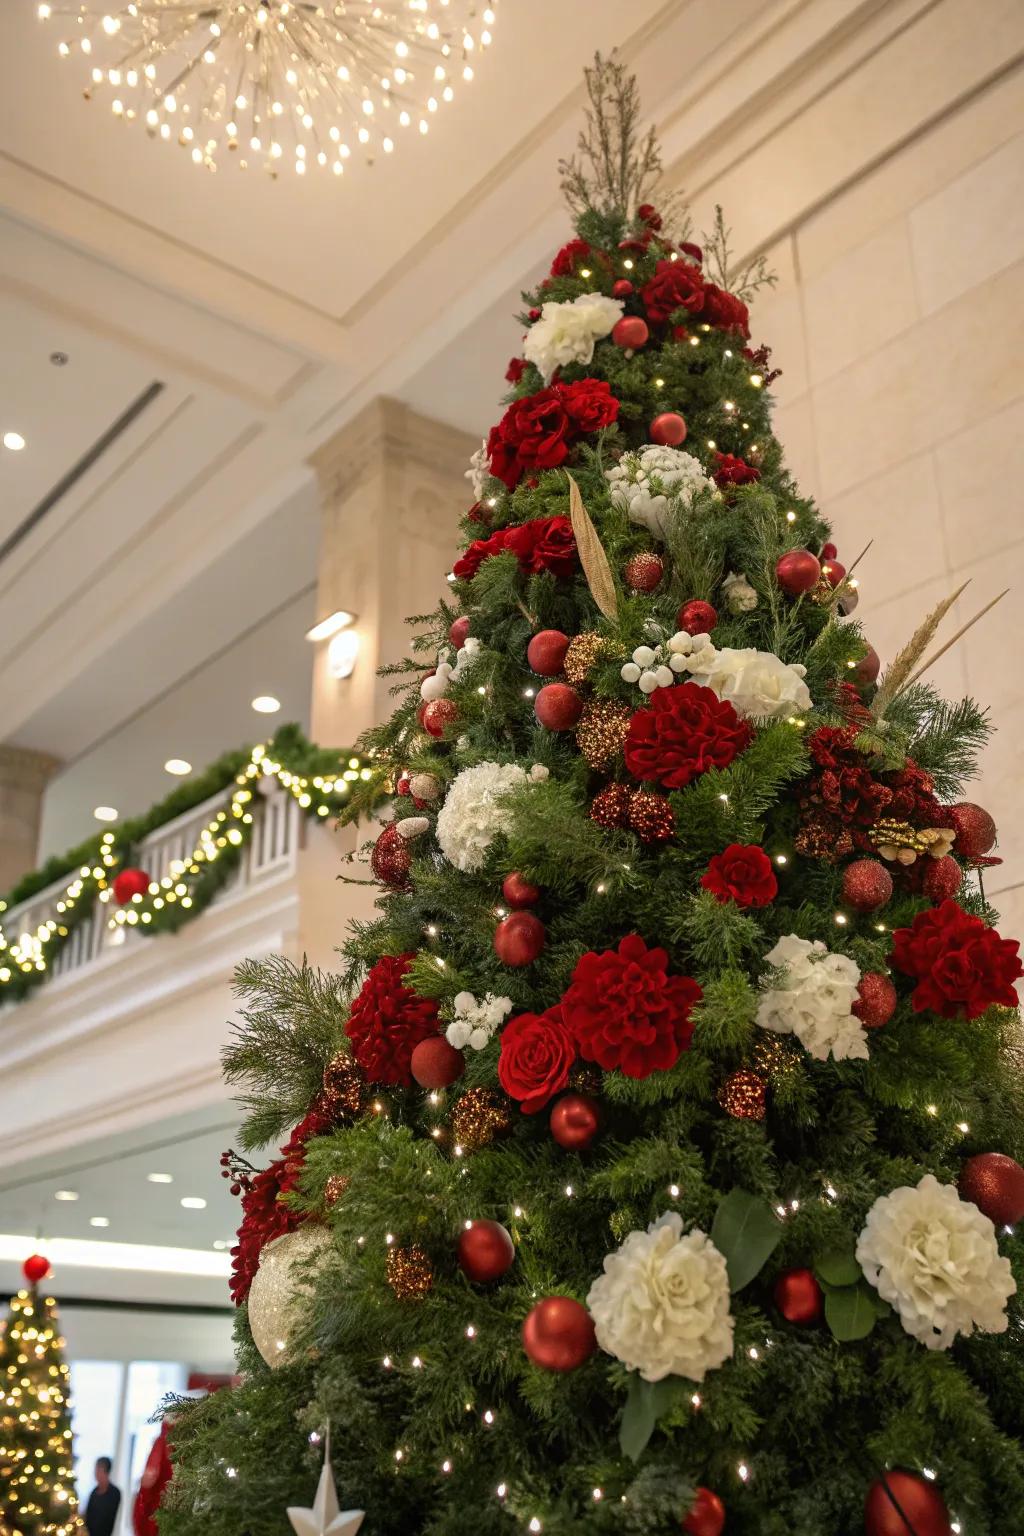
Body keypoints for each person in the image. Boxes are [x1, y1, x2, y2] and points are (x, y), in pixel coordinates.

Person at [84, 1456, 121, 1536]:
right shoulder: (94, 1492)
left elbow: (107, 1519)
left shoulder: (115, 1493)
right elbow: (88, 1515)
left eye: (98, 1469)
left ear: (105, 1471)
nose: (95, 1473)